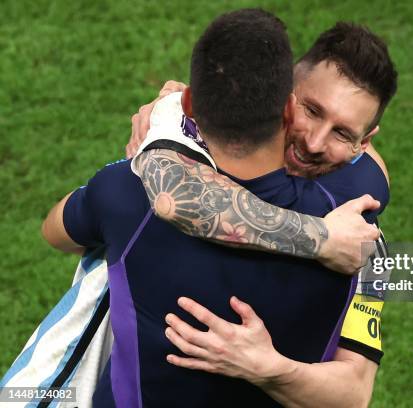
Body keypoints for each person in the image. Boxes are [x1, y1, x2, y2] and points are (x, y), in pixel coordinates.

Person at [40, 9, 394, 407]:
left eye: (343, 132)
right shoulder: (356, 230)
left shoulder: (131, 189)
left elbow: (55, 231)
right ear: (287, 101)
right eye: (312, 110)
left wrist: (168, 119)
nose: (313, 143)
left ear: (363, 143)